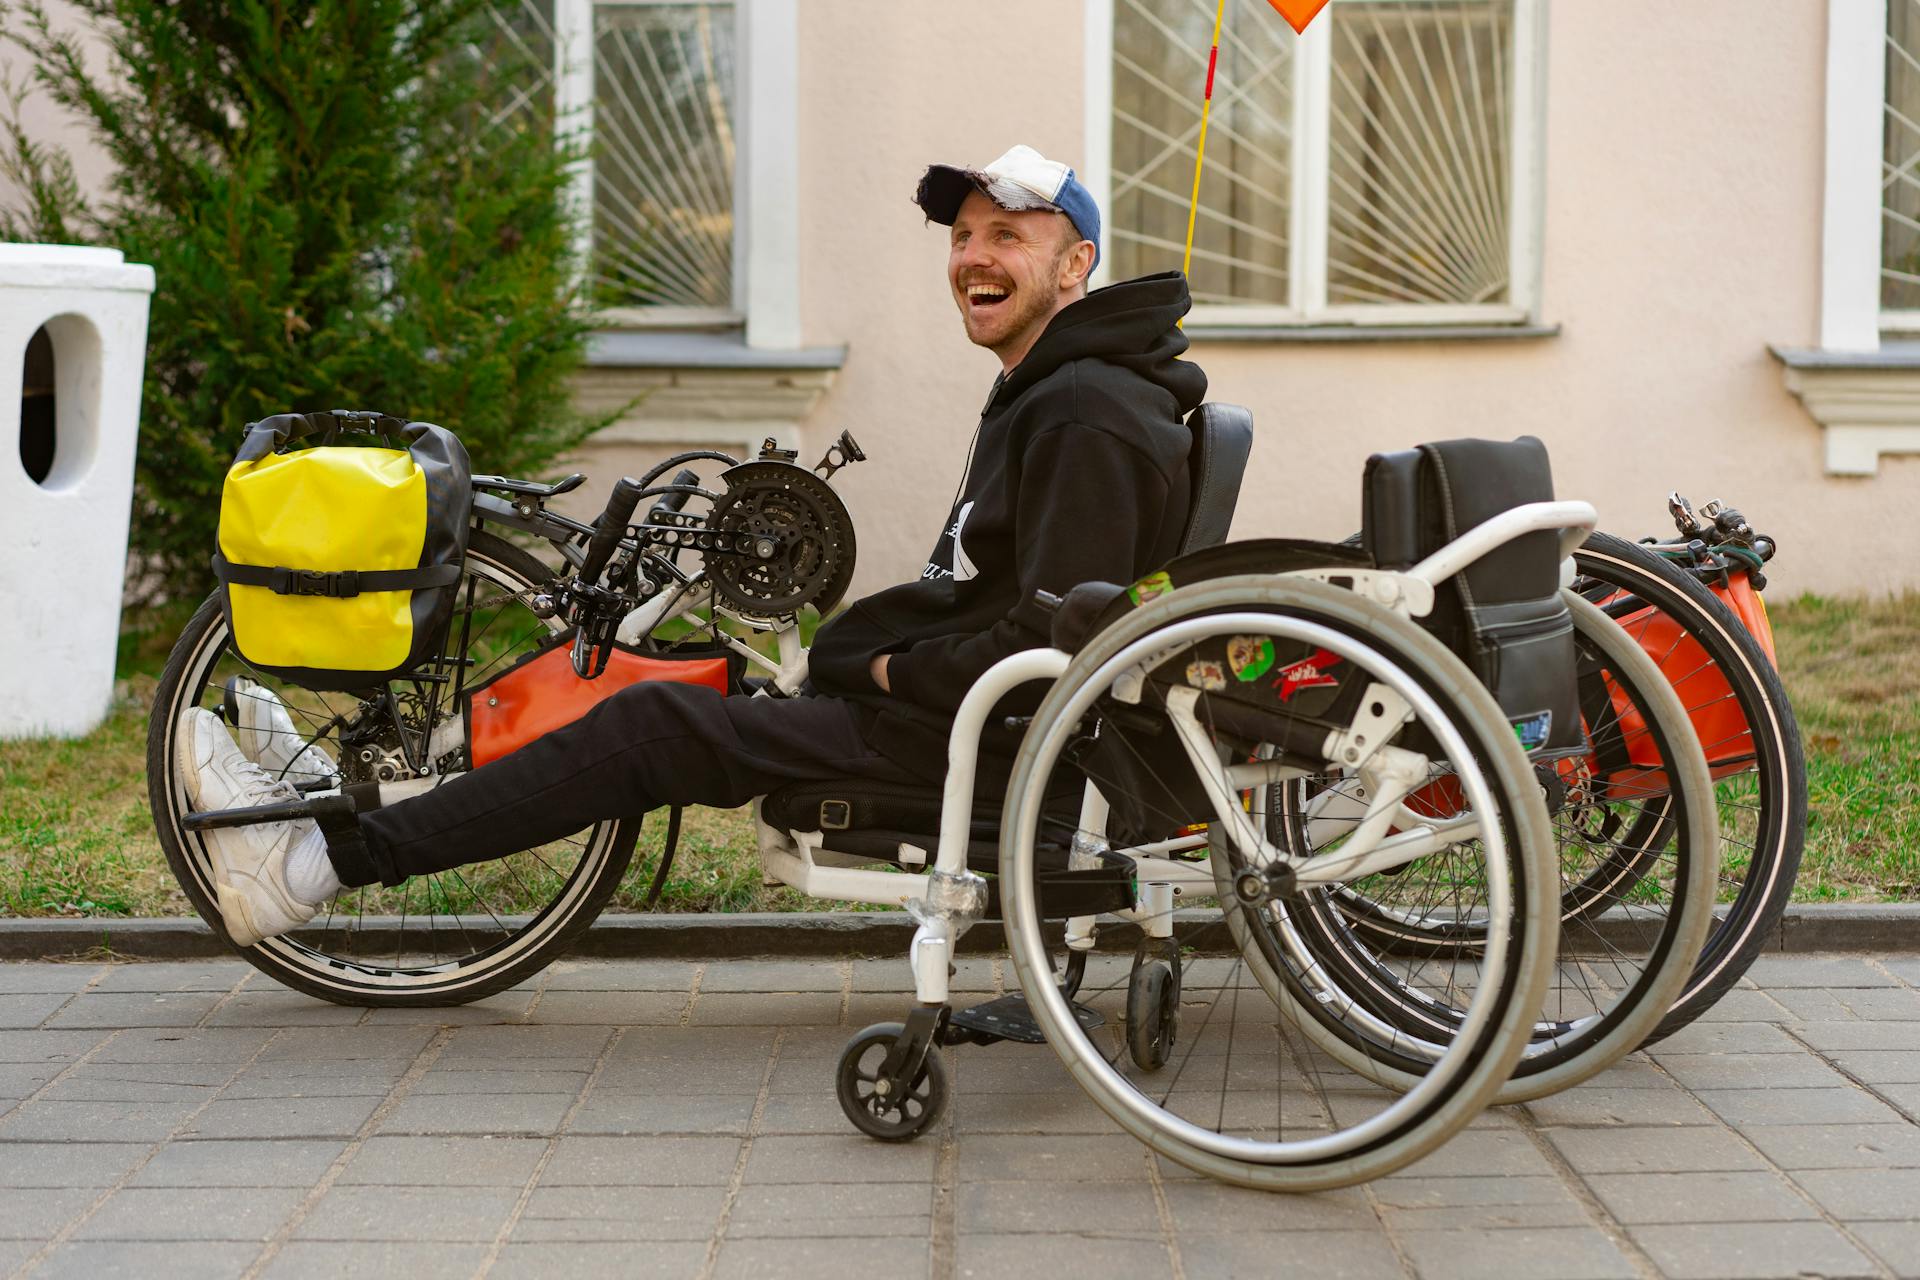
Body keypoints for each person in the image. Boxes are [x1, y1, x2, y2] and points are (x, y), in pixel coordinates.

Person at [179, 144, 1209, 946]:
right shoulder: (1058, 385)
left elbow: (1060, 640)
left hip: (964, 738)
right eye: (964, 234)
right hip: (933, 711)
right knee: (663, 681)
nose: (975, 256)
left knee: (655, 724)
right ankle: (323, 791)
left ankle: (312, 866)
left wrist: (887, 662)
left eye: (1008, 237)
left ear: (1075, 264)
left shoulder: (1083, 409)